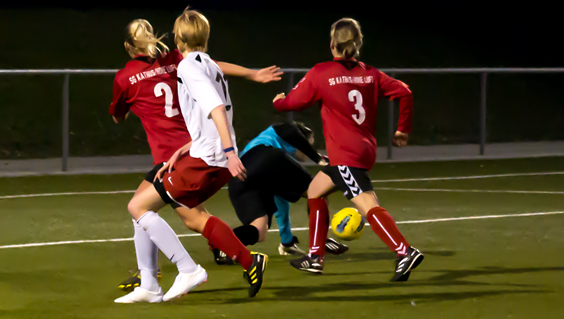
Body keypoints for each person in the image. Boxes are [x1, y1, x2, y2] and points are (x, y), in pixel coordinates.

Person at [110, 19, 281, 293]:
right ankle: (151, 277)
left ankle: (194, 268)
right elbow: (211, 67)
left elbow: (118, 115)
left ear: (128, 46)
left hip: (185, 155)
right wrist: (251, 74)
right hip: (188, 146)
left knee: (164, 212)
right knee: (151, 210)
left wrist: (227, 151)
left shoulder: (128, 76)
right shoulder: (175, 60)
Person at [273, 18, 423, 281]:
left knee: (367, 204)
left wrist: (279, 102)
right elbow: (405, 92)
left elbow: (293, 103)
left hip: (346, 154)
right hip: (364, 150)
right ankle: (315, 257)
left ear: (332, 44)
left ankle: (404, 251)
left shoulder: (322, 72)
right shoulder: (371, 74)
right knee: (315, 191)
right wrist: (403, 130)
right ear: (358, 44)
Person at [227, 122, 349, 257]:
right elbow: (290, 130)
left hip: (239, 180)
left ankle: (221, 244)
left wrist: (287, 242)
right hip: (263, 158)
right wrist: (317, 157)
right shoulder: (281, 133)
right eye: (308, 144)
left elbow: (281, 203)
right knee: (319, 191)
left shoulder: (269, 151)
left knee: (259, 229)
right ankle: (320, 241)